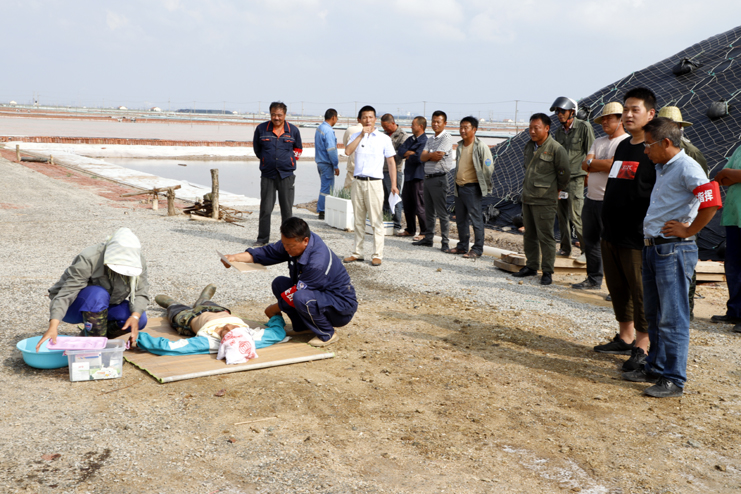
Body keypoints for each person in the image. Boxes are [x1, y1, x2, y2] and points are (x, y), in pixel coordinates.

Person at [621, 117, 720, 398]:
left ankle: (674, 378)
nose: (645, 150)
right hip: (655, 248)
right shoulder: (663, 167)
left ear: (666, 142)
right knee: (654, 314)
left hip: (674, 249)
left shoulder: (687, 167)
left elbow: (712, 201)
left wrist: (688, 230)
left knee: (673, 317)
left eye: (648, 145)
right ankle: (655, 366)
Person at [594, 87, 656, 372]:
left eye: (635, 110)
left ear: (650, 114)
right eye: (626, 110)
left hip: (636, 234)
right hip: (612, 231)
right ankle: (625, 336)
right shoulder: (623, 146)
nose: (628, 115)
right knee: (617, 287)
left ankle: (643, 346)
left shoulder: (654, 149)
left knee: (639, 291)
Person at [223, 217, 357, 347]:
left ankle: (327, 333)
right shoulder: (295, 240)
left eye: (290, 246)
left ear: (305, 241)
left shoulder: (317, 263)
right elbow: (268, 252)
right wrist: (235, 257)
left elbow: (295, 293)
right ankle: (303, 327)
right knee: (279, 283)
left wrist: (273, 309)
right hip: (318, 295)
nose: (286, 249)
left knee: (300, 297)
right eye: (284, 244)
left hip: (339, 307)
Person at [36, 227, 149, 351]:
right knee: (98, 294)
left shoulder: (138, 261)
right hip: (73, 307)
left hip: (104, 306)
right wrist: (53, 326)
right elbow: (66, 293)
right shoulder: (90, 258)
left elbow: (140, 293)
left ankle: (92, 337)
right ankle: (94, 350)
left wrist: (135, 317)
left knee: (140, 319)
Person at [657, 105, 709, 319]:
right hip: (660, 222)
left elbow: (705, 193)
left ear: (679, 128)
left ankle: (687, 308)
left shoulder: (692, 154)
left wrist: (690, 227)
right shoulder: (655, 150)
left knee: (685, 267)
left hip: (683, 221)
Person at [572, 102, 629, 290]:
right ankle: (593, 279)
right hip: (591, 200)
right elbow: (584, 164)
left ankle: (618, 287)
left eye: (609, 118)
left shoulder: (625, 142)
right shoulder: (598, 141)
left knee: (613, 244)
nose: (604, 122)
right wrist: (600, 164)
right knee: (591, 242)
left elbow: (613, 166)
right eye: (603, 119)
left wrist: (594, 164)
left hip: (611, 202)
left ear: (620, 120)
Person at [147, 284, 286, 358]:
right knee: (206, 303)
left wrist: (139, 338)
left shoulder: (210, 343)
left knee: (175, 309)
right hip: (216, 310)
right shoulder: (252, 338)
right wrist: (276, 316)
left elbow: (169, 347)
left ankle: (171, 303)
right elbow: (278, 333)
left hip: (188, 318)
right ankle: (203, 299)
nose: (229, 327)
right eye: (236, 329)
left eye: (227, 333)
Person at [512, 113, 570, 285]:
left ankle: (547, 271)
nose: (532, 131)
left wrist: (555, 189)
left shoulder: (556, 149)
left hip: (545, 199)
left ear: (547, 128)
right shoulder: (529, 146)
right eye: (530, 128)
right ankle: (531, 265)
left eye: (536, 128)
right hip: (528, 197)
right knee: (529, 234)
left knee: (546, 236)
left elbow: (564, 174)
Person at [342, 106, 398, 267]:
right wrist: (361, 134)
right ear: (359, 120)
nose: (368, 120)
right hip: (357, 181)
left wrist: (394, 184)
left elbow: (391, 162)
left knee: (376, 220)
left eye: (370, 117)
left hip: (374, 183)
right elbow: (347, 151)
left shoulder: (383, 138)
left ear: (375, 119)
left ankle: (377, 254)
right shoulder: (355, 135)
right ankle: (357, 252)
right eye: (365, 117)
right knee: (358, 219)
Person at [253, 101, 303, 246]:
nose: (276, 118)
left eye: (279, 115)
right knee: (265, 209)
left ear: (285, 115)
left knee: (287, 210)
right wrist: (266, 159)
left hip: (286, 175)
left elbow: (298, 149)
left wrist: (288, 161)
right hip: (267, 174)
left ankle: (287, 240)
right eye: (273, 114)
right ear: (270, 114)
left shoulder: (293, 130)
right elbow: (257, 149)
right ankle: (262, 239)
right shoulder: (261, 129)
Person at [551, 96, 595, 259]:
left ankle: (587, 251)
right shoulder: (558, 132)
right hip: (561, 180)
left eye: (562, 111)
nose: (559, 114)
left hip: (576, 178)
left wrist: (588, 175)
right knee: (562, 216)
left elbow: (591, 152)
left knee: (576, 215)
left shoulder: (584, 127)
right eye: (558, 112)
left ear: (572, 112)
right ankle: (565, 248)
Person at [450, 116, 494, 259]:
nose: (462, 130)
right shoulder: (460, 146)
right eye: (461, 127)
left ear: (474, 129)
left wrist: (482, 184)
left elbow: (488, 167)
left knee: (476, 220)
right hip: (459, 187)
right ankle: (462, 246)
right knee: (461, 219)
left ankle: (477, 249)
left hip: (472, 188)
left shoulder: (480, 147)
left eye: (466, 128)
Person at [413, 110, 455, 251]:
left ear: (445, 123)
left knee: (442, 212)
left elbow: (438, 156)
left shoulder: (447, 137)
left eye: (438, 122)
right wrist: (430, 155)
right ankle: (428, 238)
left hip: (439, 178)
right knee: (429, 211)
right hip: (428, 178)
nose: (435, 124)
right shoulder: (430, 139)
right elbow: (422, 157)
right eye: (433, 121)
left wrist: (428, 155)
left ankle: (445, 242)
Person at [712, 144, 741, 332]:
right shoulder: (739, 148)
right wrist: (730, 174)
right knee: (733, 266)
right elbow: (720, 178)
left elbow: (726, 174)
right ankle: (735, 311)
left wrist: (730, 173)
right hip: (734, 215)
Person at [395, 116, 428, 238]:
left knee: (419, 205)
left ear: (420, 126)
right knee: (407, 204)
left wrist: (411, 154)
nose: (411, 127)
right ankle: (410, 229)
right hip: (408, 176)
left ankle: (424, 232)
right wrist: (411, 153)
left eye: (413, 125)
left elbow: (420, 157)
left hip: (418, 177)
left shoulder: (425, 141)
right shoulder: (411, 139)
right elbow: (400, 151)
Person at [380, 114, 408, 233]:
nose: (385, 129)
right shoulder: (383, 135)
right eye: (383, 127)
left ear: (393, 123)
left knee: (395, 198)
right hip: (381, 170)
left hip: (395, 170)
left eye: (386, 126)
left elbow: (401, 154)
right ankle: (386, 222)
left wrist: (387, 152)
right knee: (384, 199)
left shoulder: (402, 136)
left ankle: (396, 225)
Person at [315, 108, 340, 220]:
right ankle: (322, 211)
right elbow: (331, 150)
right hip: (326, 163)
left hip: (320, 162)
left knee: (324, 187)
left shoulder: (320, 128)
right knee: (327, 189)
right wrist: (336, 165)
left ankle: (322, 210)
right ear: (333, 117)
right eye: (337, 118)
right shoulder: (328, 130)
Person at [342, 119, 364, 190]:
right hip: (365, 170)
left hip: (352, 165)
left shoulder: (350, 130)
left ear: (358, 119)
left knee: (348, 190)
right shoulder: (374, 132)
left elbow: (346, 145)